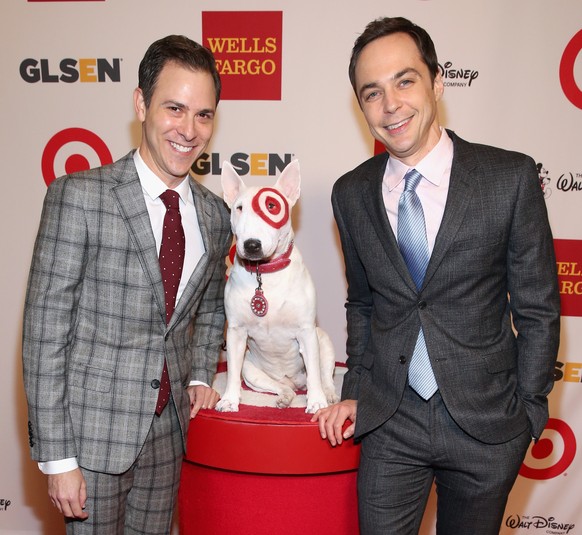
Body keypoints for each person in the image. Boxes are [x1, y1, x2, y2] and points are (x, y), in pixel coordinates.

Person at [313, 16, 560, 535]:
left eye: (405, 81)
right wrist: (355, 388)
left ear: (437, 82)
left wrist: (529, 412)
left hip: (487, 425)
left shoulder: (509, 178)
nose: (391, 105)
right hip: (389, 421)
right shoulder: (351, 193)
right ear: (362, 107)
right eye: (372, 93)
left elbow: (538, 307)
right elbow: (363, 303)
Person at [22, 35, 232, 533]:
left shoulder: (216, 214)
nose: (189, 129)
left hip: (170, 436)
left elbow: (212, 307)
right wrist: (57, 458)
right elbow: (44, 334)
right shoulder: (79, 197)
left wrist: (201, 373)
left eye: (203, 115)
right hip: (93, 439)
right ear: (141, 104)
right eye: (174, 108)